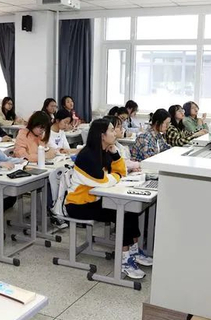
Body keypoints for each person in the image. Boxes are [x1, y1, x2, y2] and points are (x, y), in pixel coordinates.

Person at [64, 118, 151, 279]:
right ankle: (124, 260)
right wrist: (116, 176)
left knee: (130, 210)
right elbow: (103, 181)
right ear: (102, 135)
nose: (115, 133)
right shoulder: (87, 156)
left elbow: (121, 172)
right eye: (111, 130)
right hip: (78, 204)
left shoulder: (104, 152)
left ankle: (133, 251)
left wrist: (115, 154)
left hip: (95, 200)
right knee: (122, 213)